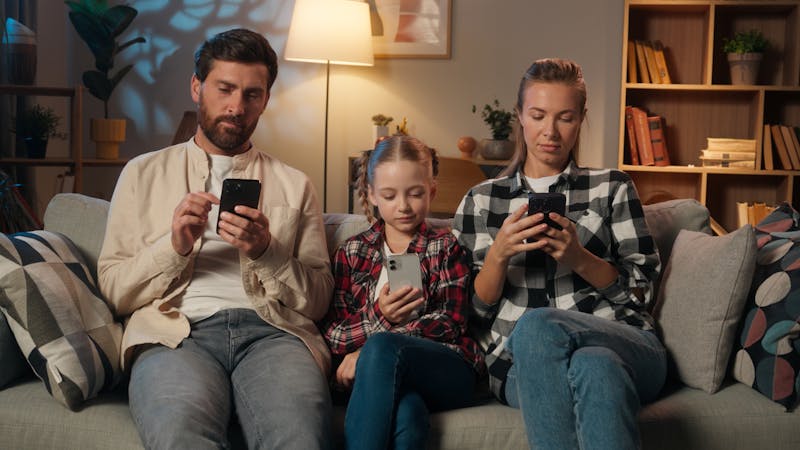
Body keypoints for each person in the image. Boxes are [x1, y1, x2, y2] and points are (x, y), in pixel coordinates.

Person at [97, 28, 334, 449]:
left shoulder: (295, 184)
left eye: (252, 94)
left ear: (266, 99)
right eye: (224, 89)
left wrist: (267, 252)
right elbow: (114, 291)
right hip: (174, 334)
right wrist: (174, 246)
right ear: (197, 87)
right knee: (179, 435)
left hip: (273, 334)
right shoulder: (142, 173)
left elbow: (318, 301)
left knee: (300, 438)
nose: (236, 107)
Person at [453, 58, 667, 450]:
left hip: (621, 340)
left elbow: (642, 294)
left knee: (540, 326)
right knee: (593, 366)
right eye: (538, 116)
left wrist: (579, 258)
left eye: (565, 118)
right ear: (520, 116)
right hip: (518, 365)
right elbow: (469, 315)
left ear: (581, 118)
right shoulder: (481, 201)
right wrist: (499, 255)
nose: (550, 131)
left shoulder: (612, 187)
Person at [320, 136, 484, 450]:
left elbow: (451, 322)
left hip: (446, 369)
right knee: (408, 415)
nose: (404, 206)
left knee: (381, 347)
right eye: (389, 195)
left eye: (415, 194)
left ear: (431, 191)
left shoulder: (445, 247)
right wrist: (380, 315)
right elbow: (335, 335)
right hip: (382, 378)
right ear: (372, 194)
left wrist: (372, 346)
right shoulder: (352, 252)